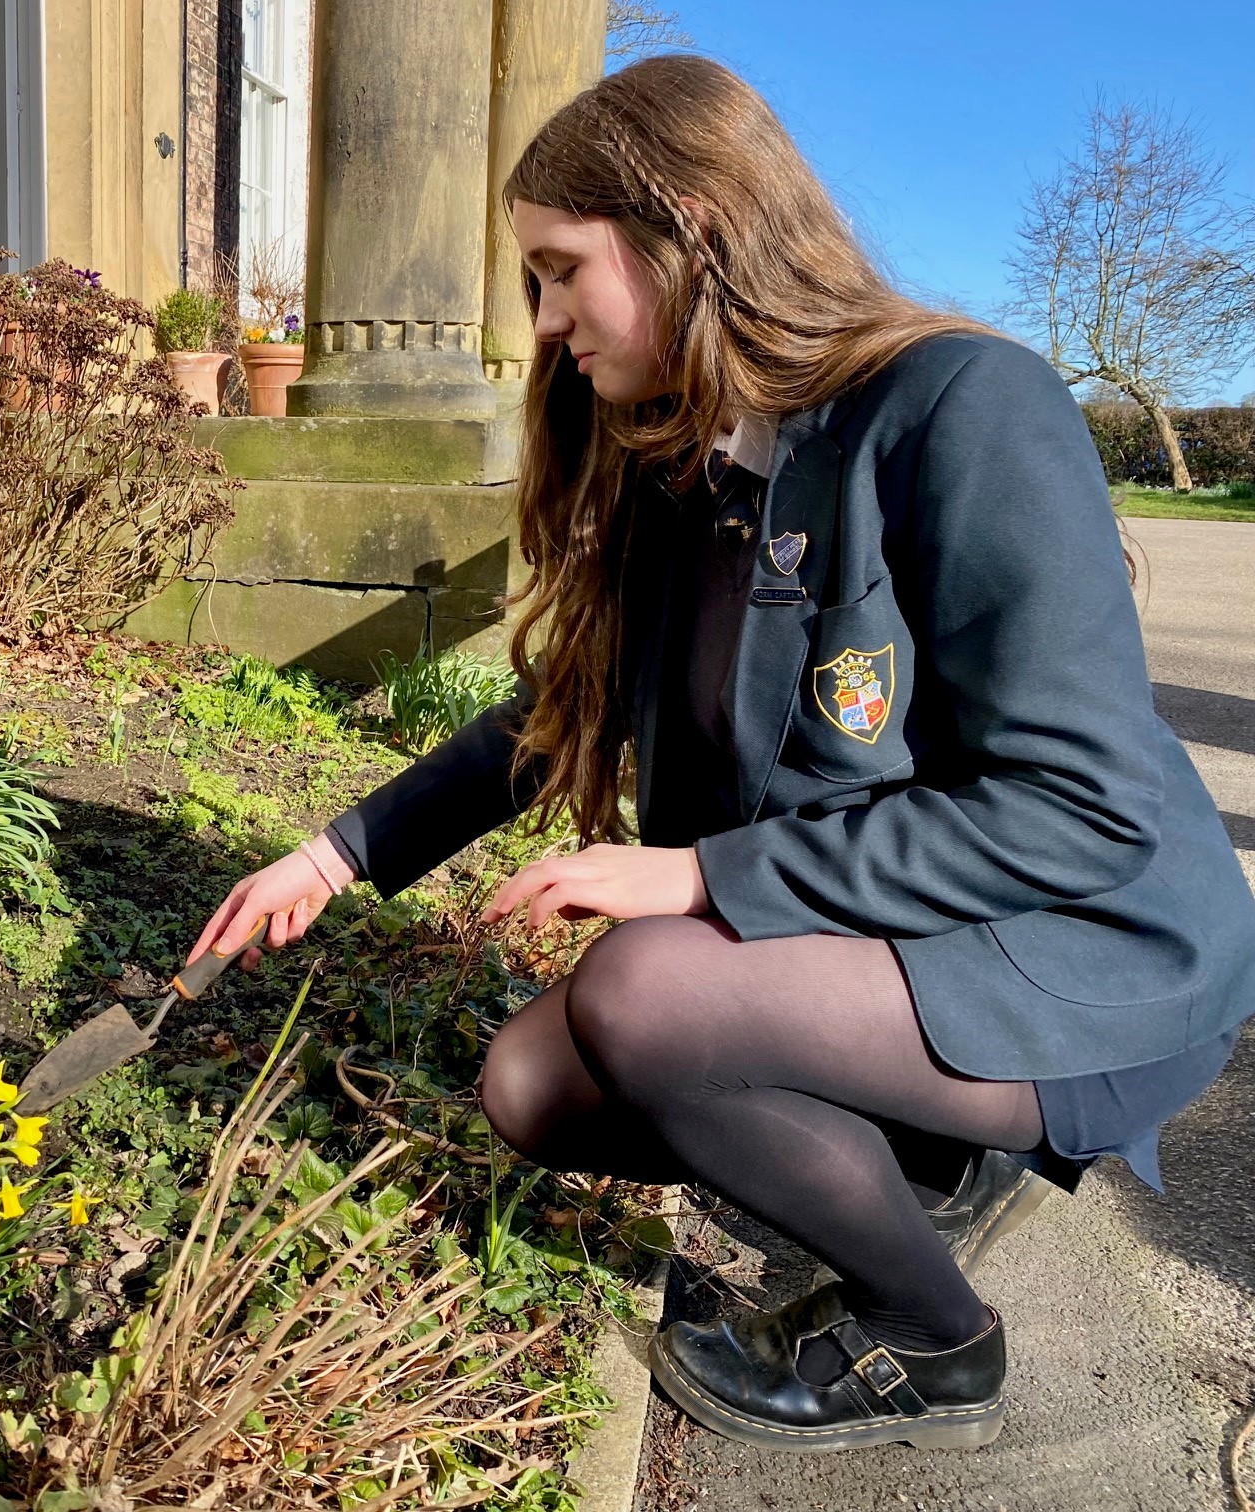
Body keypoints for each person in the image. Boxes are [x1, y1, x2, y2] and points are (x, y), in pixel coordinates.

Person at [186, 54, 1255, 1454]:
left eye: (564, 270)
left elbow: (1082, 812)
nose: (550, 321)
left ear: (691, 228)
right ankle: (931, 1146)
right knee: (530, 1087)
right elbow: (561, 714)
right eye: (536, 285)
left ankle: (934, 1344)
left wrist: (700, 878)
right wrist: (336, 854)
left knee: (647, 993)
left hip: (1082, 942)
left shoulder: (960, 409)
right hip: (897, 934)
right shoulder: (690, 461)